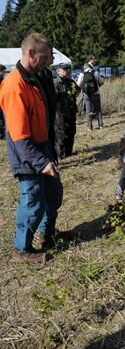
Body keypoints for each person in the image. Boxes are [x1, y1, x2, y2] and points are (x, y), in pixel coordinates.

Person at [0, 33, 63, 262]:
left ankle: (47, 235)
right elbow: (19, 137)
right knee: (33, 202)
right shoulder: (14, 85)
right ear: (30, 54)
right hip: (26, 154)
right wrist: (41, 162)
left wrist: (50, 152)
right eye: (45, 56)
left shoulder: (35, 78)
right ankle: (21, 249)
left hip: (43, 148)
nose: (48, 60)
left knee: (54, 195)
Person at [54, 63, 80, 158]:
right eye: (64, 69)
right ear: (58, 71)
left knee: (71, 131)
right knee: (61, 134)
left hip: (71, 111)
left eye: (68, 69)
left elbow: (77, 90)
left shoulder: (71, 82)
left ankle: (69, 152)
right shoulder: (56, 83)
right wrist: (58, 113)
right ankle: (60, 154)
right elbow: (54, 100)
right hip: (60, 113)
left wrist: (72, 98)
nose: (67, 71)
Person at [77, 57, 105, 130]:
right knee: (98, 110)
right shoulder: (95, 72)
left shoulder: (82, 73)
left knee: (88, 110)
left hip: (86, 94)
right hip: (96, 93)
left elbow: (78, 84)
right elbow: (101, 82)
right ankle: (100, 125)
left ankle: (89, 127)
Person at [0, 65, 7, 140]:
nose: (4, 72)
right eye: (3, 71)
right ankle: (1, 134)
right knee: (1, 118)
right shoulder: (1, 78)